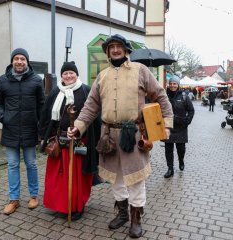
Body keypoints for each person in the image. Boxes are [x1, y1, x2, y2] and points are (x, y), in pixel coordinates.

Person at [67, 34, 173, 238]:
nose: (115, 50)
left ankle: (136, 218)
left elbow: (160, 95)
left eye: (119, 46)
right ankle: (123, 213)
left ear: (126, 50)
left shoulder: (140, 71)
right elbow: (90, 106)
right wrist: (78, 127)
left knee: (135, 178)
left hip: (133, 134)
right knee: (116, 178)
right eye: (111, 47)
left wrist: (166, 124)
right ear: (107, 51)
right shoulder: (102, 76)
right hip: (108, 136)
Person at [39, 61, 101, 221]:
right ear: (61, 76)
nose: (68, 75)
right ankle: (63, 206)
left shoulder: (86, 91)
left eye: (71, 73)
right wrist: (43, 138)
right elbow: (46, 115)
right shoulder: (55, 92)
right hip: (60, 142)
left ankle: (77, 206)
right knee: (59, 176)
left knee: (78, 177)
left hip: (80, 142)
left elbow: (94, 115)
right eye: (65, 73)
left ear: (77, 74)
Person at [0, 48, 45, 215]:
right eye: (16, 58)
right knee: (13, 165)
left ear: (27, 62)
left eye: (22, 59)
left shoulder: (37, 80)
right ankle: (14, 199)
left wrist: (39, 124)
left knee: (31, 164)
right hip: (10, 129)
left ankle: (34, 196)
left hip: (30, 129)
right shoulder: (2, 81)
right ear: (12, 61)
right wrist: (3, 117)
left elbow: (41, 104)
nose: (19, 61)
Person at [163, 76, 195, 178]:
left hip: (181, 127)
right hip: (168, 126)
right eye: (171, 83)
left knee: (181, 149)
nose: (172, 85)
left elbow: (191, 110)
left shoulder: (184, 96)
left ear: (178, 85)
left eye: (174, 83)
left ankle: (181, 160)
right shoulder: (164, 96)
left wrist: (187, 121)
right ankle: (170, 168)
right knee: (168, 149)